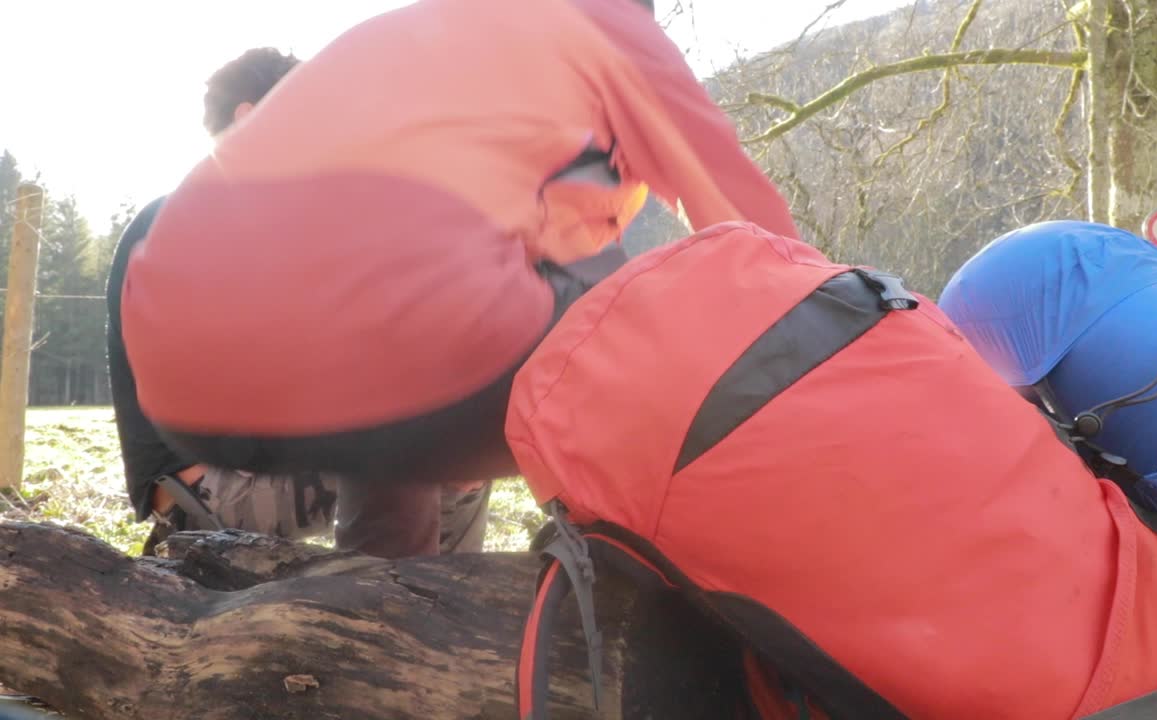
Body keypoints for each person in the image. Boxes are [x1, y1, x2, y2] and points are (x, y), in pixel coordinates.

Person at [119, 0, 801, 559]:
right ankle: (637, 587)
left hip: (192, 405)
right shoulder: (607, 29)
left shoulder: (423, 48)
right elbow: (757, 232)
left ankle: (395, 613)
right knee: (636, 318)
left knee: (413, 395)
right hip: (216, 471)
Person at [106, 47, 492, 556]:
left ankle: (440, 610)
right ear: (251, 116)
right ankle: (385, 615)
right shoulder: (187, 222)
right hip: (204, 488)